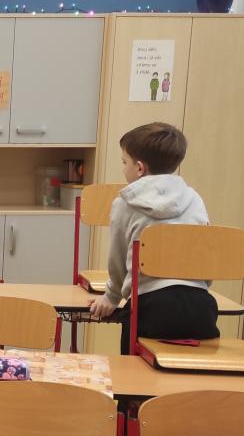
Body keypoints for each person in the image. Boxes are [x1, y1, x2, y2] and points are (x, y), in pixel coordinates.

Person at [88, 122, 218, 354]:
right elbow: (204, 253)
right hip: (201, 306)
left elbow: (118, 260)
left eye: (124, 162)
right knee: (187, 371)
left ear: (139, 168)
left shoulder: (125, 203)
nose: (123, 168)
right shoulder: (194, 198)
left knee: (133, 370)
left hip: (151, 306)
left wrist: (111, 297)